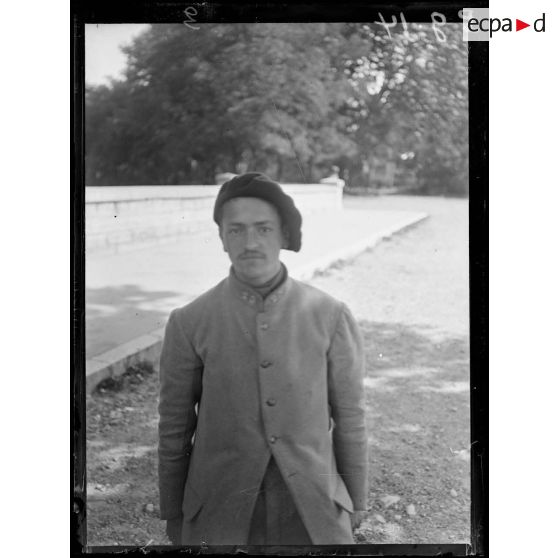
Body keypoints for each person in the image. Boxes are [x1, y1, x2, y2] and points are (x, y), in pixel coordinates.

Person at [158, 172, 368, 546]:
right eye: (235, 230)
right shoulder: (189, 321)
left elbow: (351, 419)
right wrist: (173, 512)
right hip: (221, 514)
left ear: (284, 236)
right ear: (221, 238)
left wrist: (356, 502)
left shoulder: (330, 315)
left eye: (264, 229)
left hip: (312, 513)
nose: (250, 243)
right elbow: (174, 430)